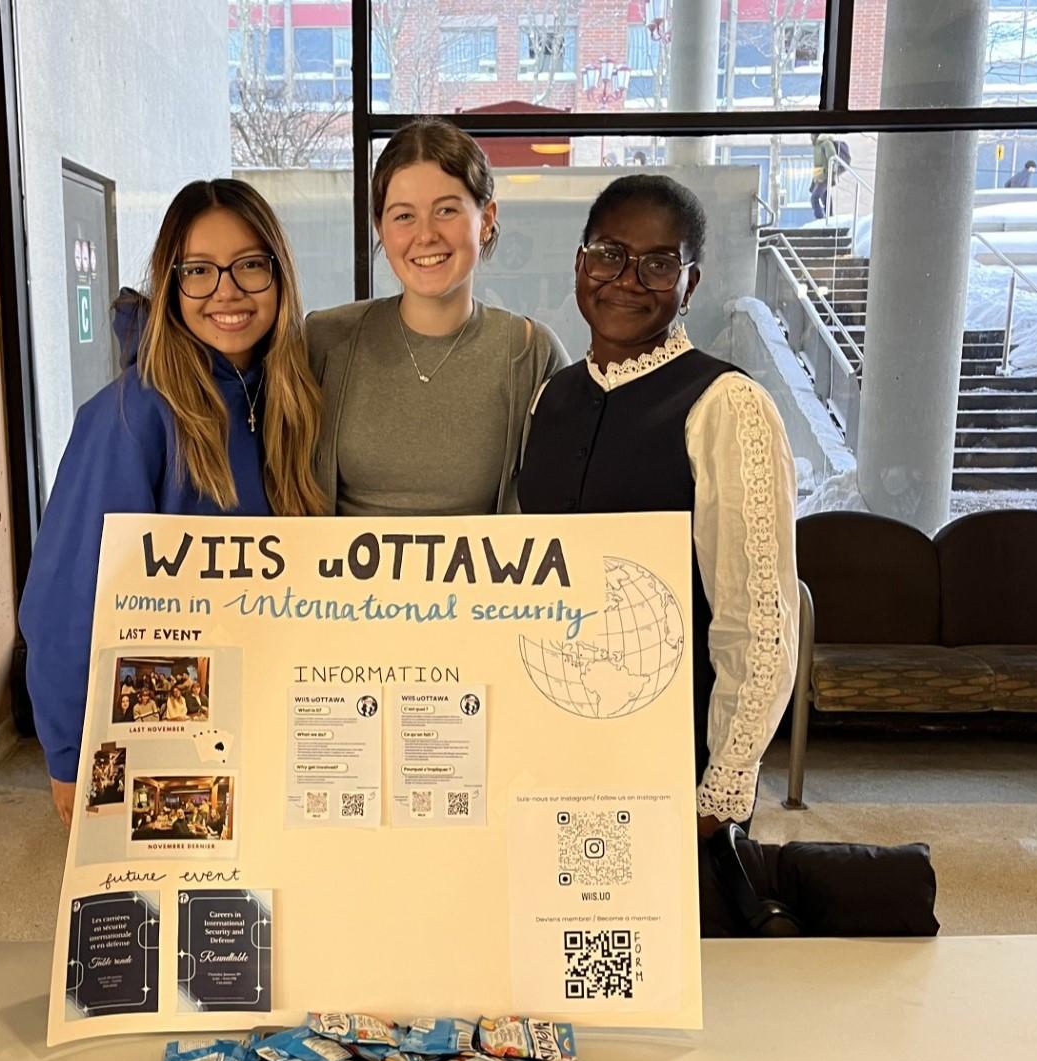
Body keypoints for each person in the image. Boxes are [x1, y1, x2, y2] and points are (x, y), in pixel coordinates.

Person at [20, 179, 326, 826]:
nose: (227, 291)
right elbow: (66, 602)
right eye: (199, 271)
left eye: (249, 265)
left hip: (278, 725)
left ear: (279, 273)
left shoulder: (289, 403)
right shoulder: (131, 417)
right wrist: (73, 760)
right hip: (165, 734)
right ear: (171, 282)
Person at [517, 174, 800, 837]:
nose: (627, 279)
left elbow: (757, 622)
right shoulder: (549, 398)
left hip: (674, 758)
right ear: (581, 263)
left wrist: (721, 789)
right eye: (609, 253)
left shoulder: (728, 405)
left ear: (690, 284)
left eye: (658, 263)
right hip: (555, 745)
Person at [307, 117, 569, 515]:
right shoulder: (325, 342)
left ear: (487, 219)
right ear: (380, 227)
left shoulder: (530, 353)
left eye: (446, 210)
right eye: (403, 216)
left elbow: (570, 499)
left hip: (485, 579)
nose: (425, 235)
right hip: (338, 578)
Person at [810, 133, 838, 219]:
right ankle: (829, 217)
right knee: (825, 198)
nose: (810, 137)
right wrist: (813, 180)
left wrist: (831, 173)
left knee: (814, 198)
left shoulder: (826, 143)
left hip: (825, 176)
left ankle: (820, 218)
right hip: (819, 177)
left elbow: (833, 158)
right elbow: (817, 165)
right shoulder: (816, 146)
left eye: (812, 135)